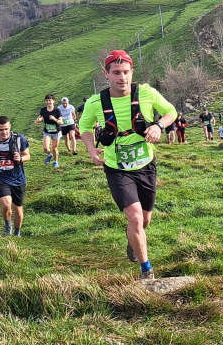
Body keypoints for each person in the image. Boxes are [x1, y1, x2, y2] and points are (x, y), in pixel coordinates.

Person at [79, 50, 176, 278]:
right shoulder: (96, 103)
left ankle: (132, 239)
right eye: (116, 73)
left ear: (132, 72)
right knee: (135, 217)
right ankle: (146, 269)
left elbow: (171, 112)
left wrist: (158, 126)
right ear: (107, 74)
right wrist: (92, 150)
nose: (121, 77)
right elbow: (83, 127)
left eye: (125, 72)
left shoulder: (147, 93)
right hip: (117, 169)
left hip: (145, 165)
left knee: (145, 220)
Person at [34, 94, 62, 168]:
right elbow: (41, 116)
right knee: (46, 148)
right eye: (47, 100)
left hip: (56, 132)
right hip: (47, 131)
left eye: (50, 100)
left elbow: (61, 122)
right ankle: (50, 154)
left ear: (53, 101)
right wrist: (38, 120)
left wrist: (54, 119)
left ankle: (56, 162)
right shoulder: (43, 110)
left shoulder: (57, 110)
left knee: (54, 148)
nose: (48, 102)